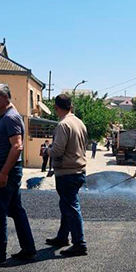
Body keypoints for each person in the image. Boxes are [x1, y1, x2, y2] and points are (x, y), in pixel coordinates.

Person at [0, 84, 36, 266]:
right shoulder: (6, 116)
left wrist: (3, 173)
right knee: (15, 209)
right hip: (8, 170)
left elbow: (17, 146)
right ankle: (28, 248)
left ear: (6, 97)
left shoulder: (10, 117)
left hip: (7, 170)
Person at [46, 94, 89, 256]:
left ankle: (79, 243)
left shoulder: (63, 125)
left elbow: (57, 151)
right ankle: (62, 237)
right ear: (71, 106)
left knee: (71, 207)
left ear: (56, 107)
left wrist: (46, 151)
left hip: (67, 172)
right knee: (67, 205)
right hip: (78, 171)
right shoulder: (79, 123)